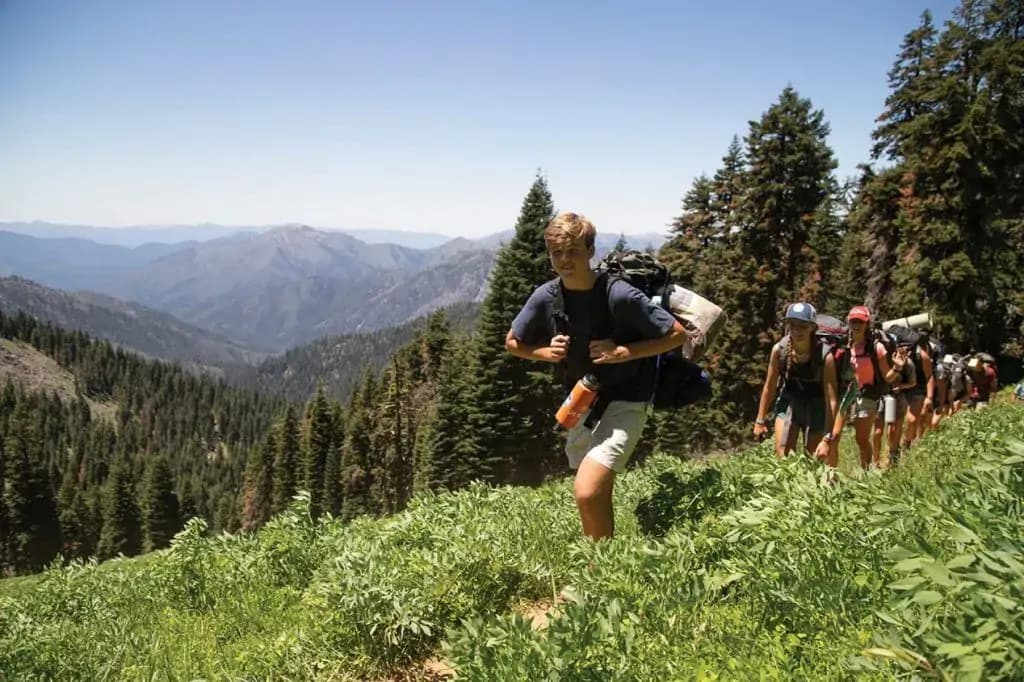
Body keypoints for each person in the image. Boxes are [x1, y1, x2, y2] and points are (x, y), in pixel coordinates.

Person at [505, 212, 687, 541]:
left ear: (590, 251)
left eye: (573, 251)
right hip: (581, 401)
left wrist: (624, 352)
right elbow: (513, 342)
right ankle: (602, 564)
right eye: (556, 252)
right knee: (593, 491)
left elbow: (676, 335)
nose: (564, 260)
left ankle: (598, 567)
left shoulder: (619, 295)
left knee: (587, 491)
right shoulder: (547, 296)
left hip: (627, 400)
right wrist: (544, 352)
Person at [817, 306, 904, 470]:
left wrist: (898, 368)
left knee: (861, 439)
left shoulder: (876, 348)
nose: (856, 325)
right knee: (833, 436)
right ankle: (831, 476)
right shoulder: (841, 345)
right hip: (845, 391)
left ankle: (866, 471)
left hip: (867, 394)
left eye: (860, 322)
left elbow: (887, 377)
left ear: (867, 324)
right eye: (853, 321)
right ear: (848, 322)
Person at [753, 303, 838, 460]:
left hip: (818, 406)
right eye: (792, 325)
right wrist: (760, 420)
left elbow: (831, 401)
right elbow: (769, 387)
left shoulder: (825, 357)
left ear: (812, 327)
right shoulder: (779, 351)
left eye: (803, 326)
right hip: (790, 401)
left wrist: (827, 439)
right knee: (783, 456)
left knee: (813, 459)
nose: (797, 330)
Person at [874, 345, 914, 467]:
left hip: (896, 398)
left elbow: (913, 382)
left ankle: (893, 456)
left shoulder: (909, 364)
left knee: (892, 430)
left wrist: (901, 387)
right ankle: (875, 460)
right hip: (880, 396)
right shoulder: (882, 358)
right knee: (877, 431)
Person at [902, 334, 934, 449]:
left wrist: (929, 398)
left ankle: (907, 444)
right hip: (899, 388)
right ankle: (898, 446)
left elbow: (929, 376)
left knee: (912, 419)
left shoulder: (921, 356)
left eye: (907, 347)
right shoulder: (891, 352)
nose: (905, 350)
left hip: (918, 388)